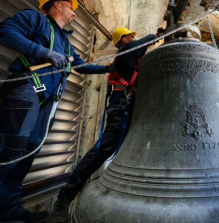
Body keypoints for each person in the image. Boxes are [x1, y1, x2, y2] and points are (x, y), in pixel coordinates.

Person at [0, 0, 110, 222]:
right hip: (26, 92)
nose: (74, 14)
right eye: (71, 8)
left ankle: (8, 211)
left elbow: (80, 66)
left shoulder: (66, 43)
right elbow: (5, 31)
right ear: (58, 5)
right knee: (9, 154)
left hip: (47, 103)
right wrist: (44, 52)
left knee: (27, 157)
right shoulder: (36, 20)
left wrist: (111, 68)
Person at [49, 27, 157, 222]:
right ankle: (65, 197)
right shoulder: (126, 53)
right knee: (103, 149)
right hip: (121, 111)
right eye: (130, 36)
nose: (133, 37)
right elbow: (145, 40)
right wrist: (157, 35)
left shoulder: (131, 60)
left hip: (130, 109)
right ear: (123, 40)